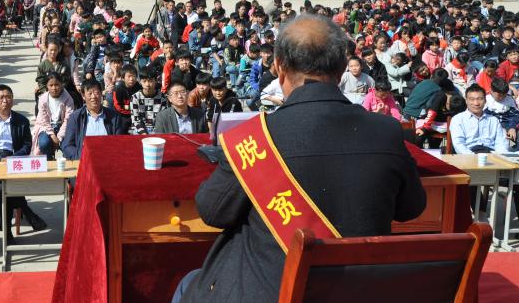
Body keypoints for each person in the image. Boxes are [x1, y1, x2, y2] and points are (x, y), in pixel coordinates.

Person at [174, 15, 426, 302]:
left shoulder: (254, 138)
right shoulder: (387, 131)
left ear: (279, 67)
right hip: (356, 292)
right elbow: (412, 207)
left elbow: (212, 211)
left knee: (189, 283)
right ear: (342, 68)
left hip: (266, 292)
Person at [0, 84, 47, 237]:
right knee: (6, 184)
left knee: (4, 186)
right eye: (1, 97)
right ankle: (26, 211)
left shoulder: (21, 120)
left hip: (12, 159)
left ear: (12, 99)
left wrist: (11, 159)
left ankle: (6, 231)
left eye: (8, 97)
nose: (5, 100)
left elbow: (27, 146)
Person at [61, 78, 126, 160]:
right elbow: (67, 145)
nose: (93, 97)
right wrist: (81, 157)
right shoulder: (75, 117)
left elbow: (119, 143)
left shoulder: (114, 117)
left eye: (96, 93)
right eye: (90, 93)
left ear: (101, 94)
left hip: (108, 160)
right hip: (85, 161)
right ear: (83, 96)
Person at [32, 72, 75, 157]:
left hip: (63, 127)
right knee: (44, 143)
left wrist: (59, 137)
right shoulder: (43, 99)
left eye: (57, 85)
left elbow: (68, 120)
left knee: (67, 146)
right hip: (46, 127)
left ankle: (66, 159)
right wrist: (52, 135)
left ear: (61, 84)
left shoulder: (68, 99)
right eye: (51, 85)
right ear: (47, 86)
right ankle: (49, 158)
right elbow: (43, 120)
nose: (54, 88)